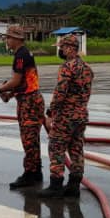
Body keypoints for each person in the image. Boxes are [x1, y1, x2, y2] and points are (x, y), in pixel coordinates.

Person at [0, 24, 45, 189]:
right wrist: (10, 94)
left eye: (8, 37)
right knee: (32, 139)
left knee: (28, 139)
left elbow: (17, 81)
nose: (6, 40)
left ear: (17, 38)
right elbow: (24, 82)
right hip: (30, 100)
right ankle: (36, 172)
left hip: (29, 103)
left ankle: (30, 175)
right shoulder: (23, 53)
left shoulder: (20, 55)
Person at [37, 33, 93, 199]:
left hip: (66, 116)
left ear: (70, 48)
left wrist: (50, 113)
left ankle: (56, 184)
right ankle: (74, 185)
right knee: (76, 149)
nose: (60, 50)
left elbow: (60, 92)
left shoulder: (67, 67)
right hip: (81, 115)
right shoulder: (87, 68)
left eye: (62, 47)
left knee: (56, 147)